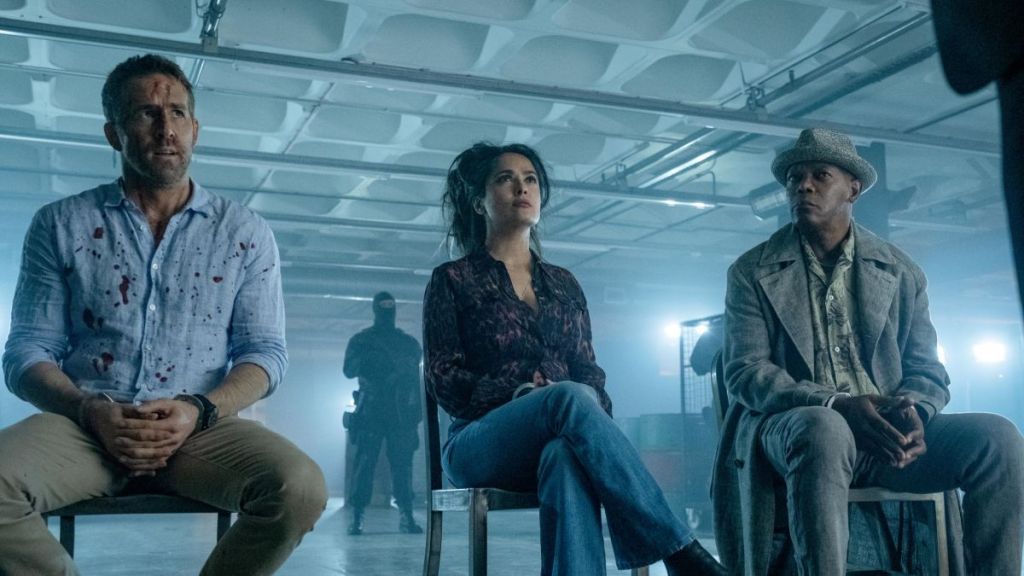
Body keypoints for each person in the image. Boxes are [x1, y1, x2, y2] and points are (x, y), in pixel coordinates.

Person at [0, 54, 327, 576]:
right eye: (146, 114)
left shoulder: (244, 232)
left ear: (196, 129)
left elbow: (264, 353)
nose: (166, 129)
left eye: (177, 113)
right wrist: (90, 410)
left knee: (300, 488)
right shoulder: (61, 223)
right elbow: (26, 351)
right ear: (114, 134)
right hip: (86, 427)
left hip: (199, 430)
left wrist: (199, 409)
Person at [712, 127, 1024, 575]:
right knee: (825, 427)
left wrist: (916, 413)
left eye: (820, 175)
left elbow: (928, 371)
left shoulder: (901, 271)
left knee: (999, 437)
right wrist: (837, 404)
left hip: (885, 437)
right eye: (795, 177)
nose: (803, 186)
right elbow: (746, 373)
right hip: (793, 431)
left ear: (853, 189)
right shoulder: (751, 270)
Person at [422, 142, 727, 576]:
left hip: (556, 433)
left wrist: (575, 399)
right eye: (505, 179)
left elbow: (591, 377)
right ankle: (680, 553)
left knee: (566, 453)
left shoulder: (564, 284)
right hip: (478, 442)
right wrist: (521, 393)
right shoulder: (453, 280)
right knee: (566, 397)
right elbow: (444, 380)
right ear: (478, 202)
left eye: (530, 180)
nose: (522, 188)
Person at [342, 291, 424, 535]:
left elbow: (417, 378)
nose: (388, 310)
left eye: (391, 305)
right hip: (372, 409)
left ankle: (406, 515)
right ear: (376, 308)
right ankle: (357, 516)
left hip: (400, 411)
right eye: (384, 306)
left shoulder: (407, 344)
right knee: (365, 464)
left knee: (402, 465)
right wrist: (373, 363)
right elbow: (349, 370)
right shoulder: (363, 341)